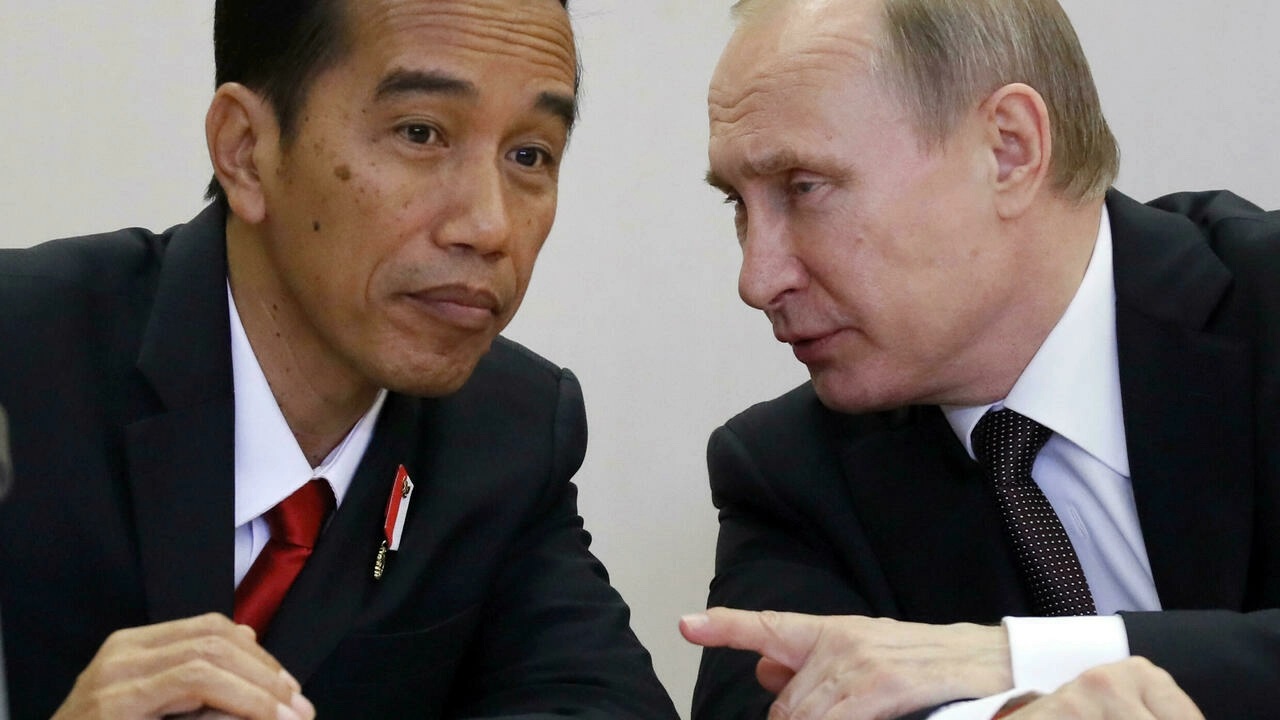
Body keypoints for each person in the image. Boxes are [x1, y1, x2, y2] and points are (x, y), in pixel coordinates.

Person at [0, 1, 679, 718]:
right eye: (421, 133)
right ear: (245, 150)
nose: (490, 226)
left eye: (529, 156)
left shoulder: (509, 431)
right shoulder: (21, 355)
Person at [679, 0, 1280, 718]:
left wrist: (1018, 659)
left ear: (1008, 150)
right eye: (738, 205)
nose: (757, 279)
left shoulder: (1266, 302)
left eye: (804, 188)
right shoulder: (790, 471)